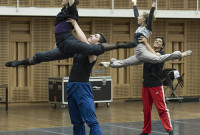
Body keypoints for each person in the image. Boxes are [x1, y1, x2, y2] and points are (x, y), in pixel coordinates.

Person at [5, 0, 136, 68]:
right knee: (41, 56)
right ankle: (19, 62)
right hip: (63, 44)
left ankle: (123, 45)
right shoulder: (64, 10)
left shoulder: (72, 11)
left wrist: (74, 23)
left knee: (91, 48)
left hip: (68, 40)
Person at [99, 0, 192, 68]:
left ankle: (180, 54)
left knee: (159, 59)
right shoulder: (140, 27)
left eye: (140, 16)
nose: (138, 17)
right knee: (125, 62)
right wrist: (135, 3)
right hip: (138, 53)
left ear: (144, 19)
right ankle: (109, 63)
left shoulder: (147, 29)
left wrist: (153, 4)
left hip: (141, 51)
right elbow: (136, 14)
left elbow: (150, 16)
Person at [65, 19, 103, 135]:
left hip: (83, 88)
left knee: (91, 121)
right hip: (71, 86)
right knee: (77, 122)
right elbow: (60, 47)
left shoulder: (94, 52)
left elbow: (83, 42)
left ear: (98, 44)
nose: (92, 35)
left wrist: (75, 24)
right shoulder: (80, 49)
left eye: (95, 36)